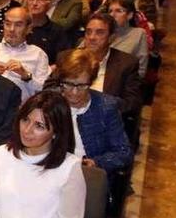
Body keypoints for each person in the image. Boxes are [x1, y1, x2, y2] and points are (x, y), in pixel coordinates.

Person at [54, 49, 132, 177]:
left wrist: (97, 162)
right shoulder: (50, 103)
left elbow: (123, 152)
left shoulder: (106, 107)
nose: (74, 92)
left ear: (91, 82)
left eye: (81, 86)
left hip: (87, 174)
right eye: (68, 84)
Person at [65, 13, 142, 117]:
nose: (92, 37)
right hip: (67, 117)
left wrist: (98, 103)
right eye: (88, 32)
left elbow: (131, 103)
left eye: (99, 33)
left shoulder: (127, 64)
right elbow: (50, 88)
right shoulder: (67, 57)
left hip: (104, 120)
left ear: (112, 37)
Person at [0, 8, 51, 101]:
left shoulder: (38, 54)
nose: (11, 29)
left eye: (18, 25)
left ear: (28, 29)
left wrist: (25, 75)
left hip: (21, 110)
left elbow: (43, 91)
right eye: (8, 24)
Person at [25, 0, 71, 64]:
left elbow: (62, 61)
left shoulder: (57, 31)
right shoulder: (19, 26)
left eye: (39, 0)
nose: (34, 3)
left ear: (49, 4)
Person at [106, 0, 149, 77]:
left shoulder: (138, 34)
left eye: (119, 11)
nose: (112, 15)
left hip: (122, 83)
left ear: (130, 15)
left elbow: (141, 70)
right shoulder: (101, 32)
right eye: (110, 11)